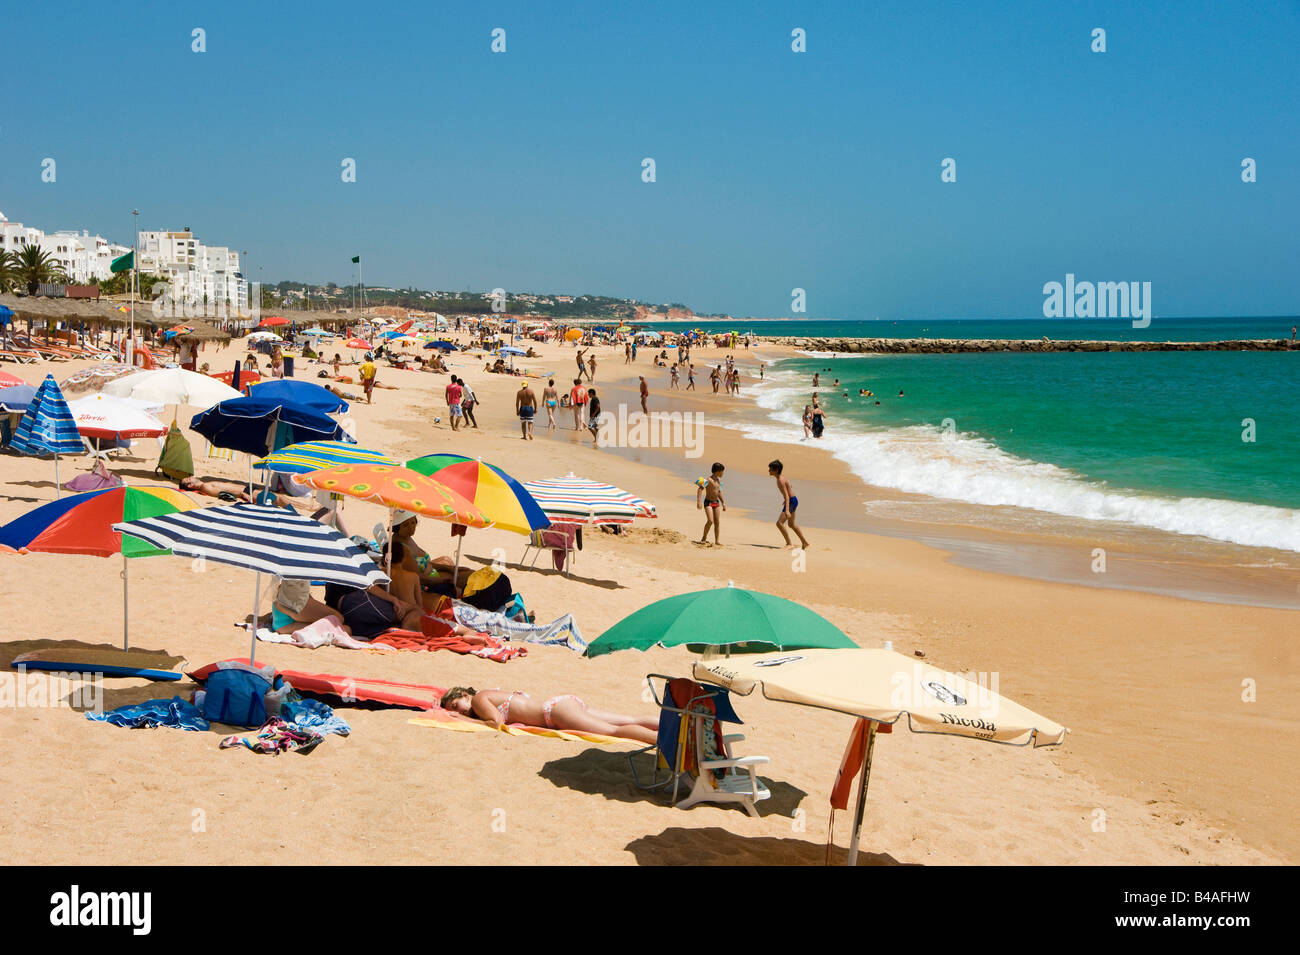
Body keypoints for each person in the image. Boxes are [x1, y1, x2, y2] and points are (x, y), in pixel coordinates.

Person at [439, 686, 659, 744]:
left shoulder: (478, 700)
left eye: (456, 705)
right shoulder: (488, 695)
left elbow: (495, 723)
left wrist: (463, 719)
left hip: (555, 713)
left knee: (616, 732)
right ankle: (676, 725)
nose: (459, 711)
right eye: (454, 710)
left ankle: (665, 743)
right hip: (561, 705)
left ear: (465, 695)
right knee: (631, 719)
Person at [769, 459, 810, 550]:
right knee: (791, 524)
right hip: (794, 500)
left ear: (776, 470)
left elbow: (787, 496)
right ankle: (804, 542)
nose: (769, 470)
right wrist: (786, 498)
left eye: (770, 469)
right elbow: (789, 487)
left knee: (779, 523)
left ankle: (789, 544)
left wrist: (787, 509)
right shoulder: (782, 478)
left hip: (791, 501)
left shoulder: (780, 480)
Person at [696, 462, 726, 545]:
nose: (723, 473)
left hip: (716, 502)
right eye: (722, 471)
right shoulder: (707, 480)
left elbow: (719, 492)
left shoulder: (719, 480)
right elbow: (700, 489)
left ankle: (717, 541)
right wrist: (699, 501)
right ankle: (704, 538)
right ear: (717, 471)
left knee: (717, 522)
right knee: (710, 520)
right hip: (708, 502)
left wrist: (723, 502)